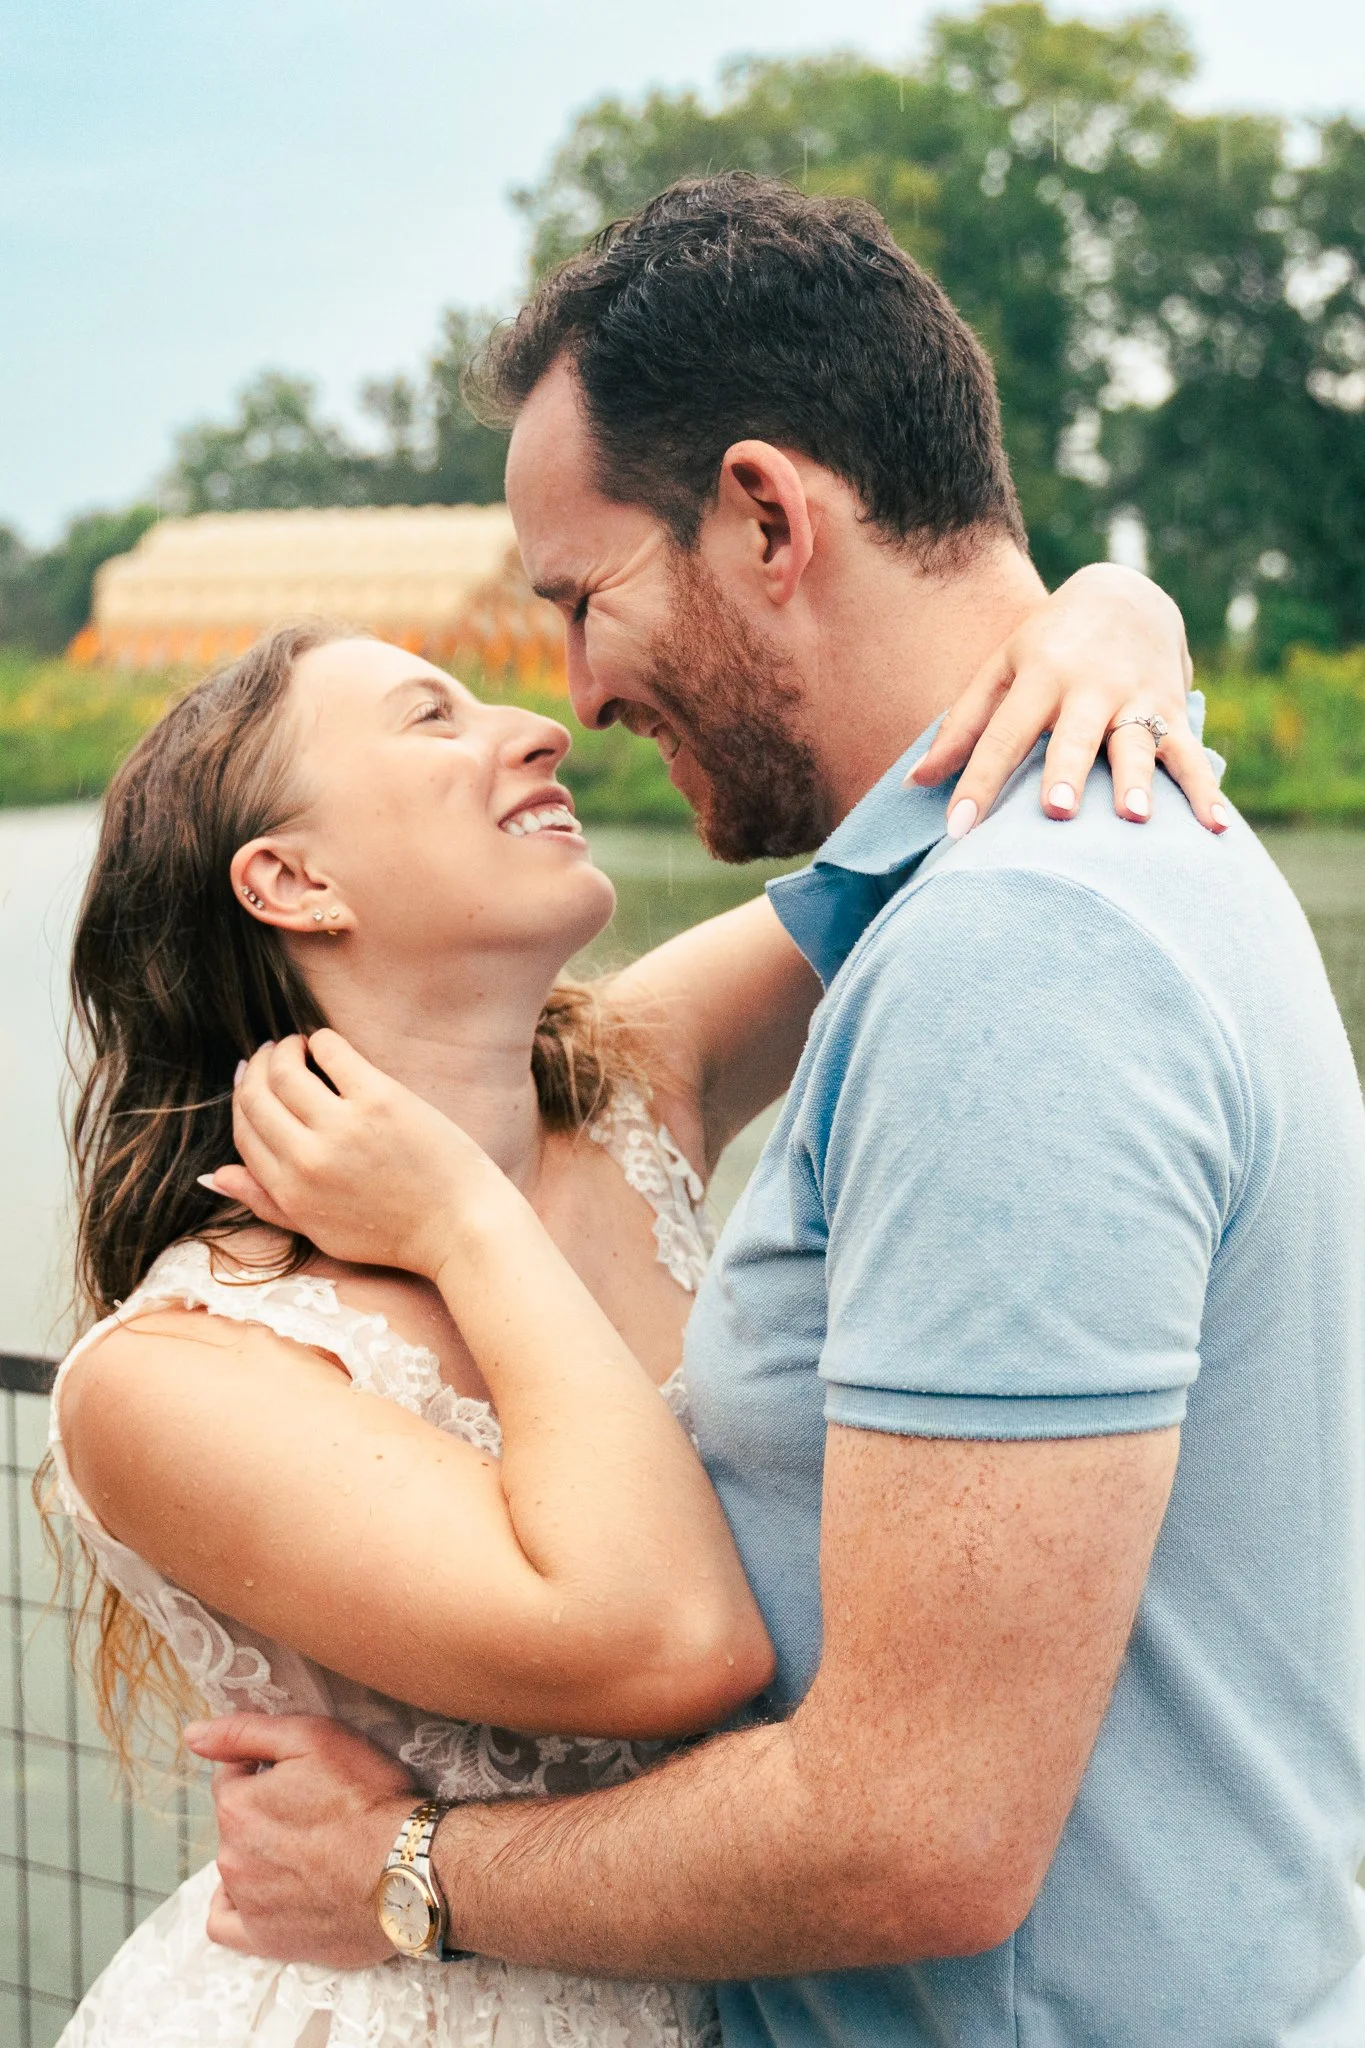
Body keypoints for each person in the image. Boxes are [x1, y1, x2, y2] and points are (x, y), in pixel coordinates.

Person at [195, 175, 1365, 2046]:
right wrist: (1114, 607)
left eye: (585, 599)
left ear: (764, 516)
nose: (574, 695)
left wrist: (407, 1873)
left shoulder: (1019, 955)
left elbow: (921, 1838)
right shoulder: (1054, 858)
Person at [46, 569, 1197, 2043]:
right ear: (292, 881)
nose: (540, 726)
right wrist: (460, 1222)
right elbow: (675, 1640)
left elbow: (928, 832)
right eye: (431, 719)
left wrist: (1119, 614)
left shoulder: (633, 1082)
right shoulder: (171, 1381)